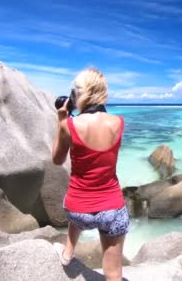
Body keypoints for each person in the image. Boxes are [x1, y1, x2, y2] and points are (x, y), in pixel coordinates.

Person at [52, 68, 128, 281]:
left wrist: (61, 121)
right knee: (113, 273)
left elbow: (57, 160)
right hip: (112, 209)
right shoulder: (119, 123)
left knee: (78, 204)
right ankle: (70, 252)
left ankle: (68, 252)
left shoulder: (70, 125)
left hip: (78, 211)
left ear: (79, 94)